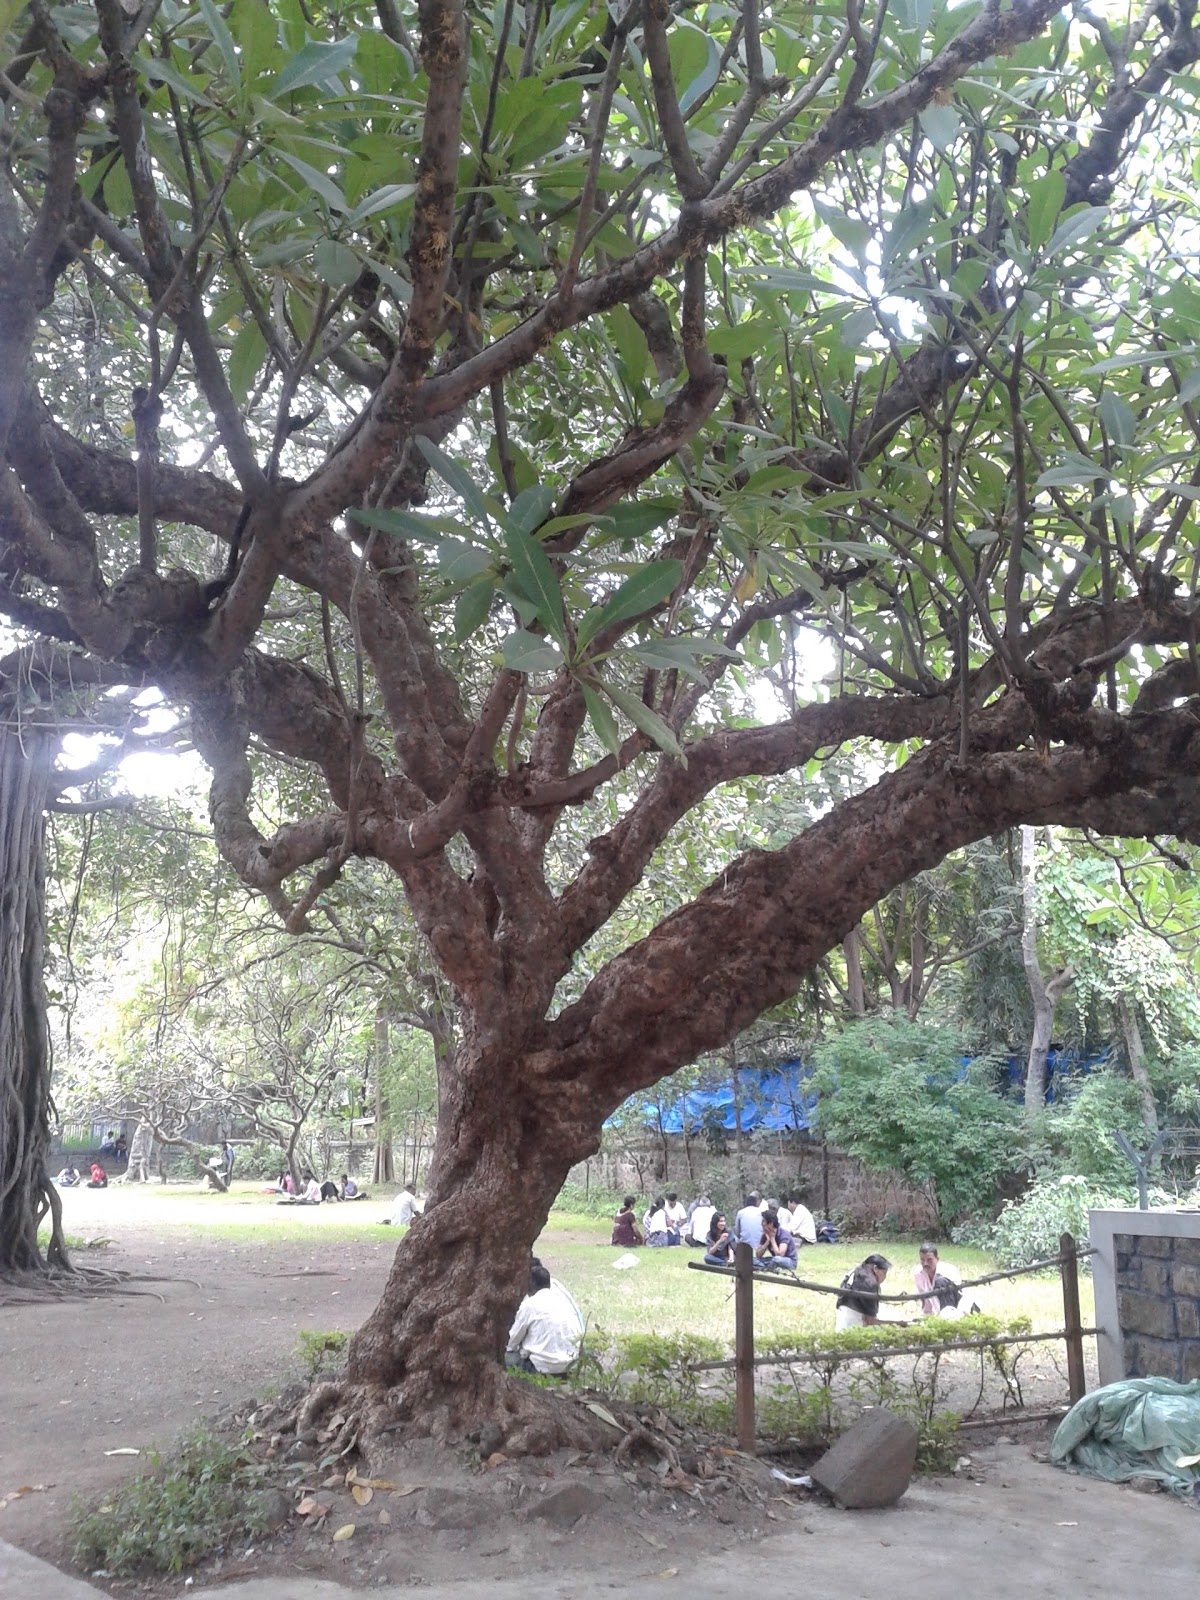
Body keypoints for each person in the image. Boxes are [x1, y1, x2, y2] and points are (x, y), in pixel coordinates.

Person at [506, 1262, 583, 1376]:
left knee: (505, 1357)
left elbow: (511, 1342)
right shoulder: (562, 1301)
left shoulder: (529, 1305)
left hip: (541, 1368)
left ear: (530, 1284)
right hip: (570, 1366)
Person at [835, 1253, 904, 1330]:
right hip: (854, 1327)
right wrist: (898, 1324)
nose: (885, 1277)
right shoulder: (870, 1283)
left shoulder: (854, 1272)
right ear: (875, 1268)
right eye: (884, 1273)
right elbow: (871, 1321)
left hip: (841, 1325)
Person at [915, 1242, 977, 1318]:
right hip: (942, 1313)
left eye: (929, 1260)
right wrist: (926, 1317)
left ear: (937, 1259)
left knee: (940, 1282)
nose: (925, 1264)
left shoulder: (948, 1270)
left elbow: (963, 1296)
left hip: (966, 1309)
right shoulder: (919, 1273)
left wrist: (960, 1315)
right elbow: (926, 1300)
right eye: (922, 1260)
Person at [755, 1208, 798, 1272]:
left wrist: (772, 1239)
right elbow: (758, 1255)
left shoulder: (783, 1234)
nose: (762, 1224)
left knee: (776, 1259)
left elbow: (780, 1255)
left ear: (770, 1223)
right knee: (754, 1260)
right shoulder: (765, 1235)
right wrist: (766, 1242)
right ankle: (768, 1267)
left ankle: (764, 1267)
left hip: (789, 1261)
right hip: (774, 1260)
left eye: (763, 1221)